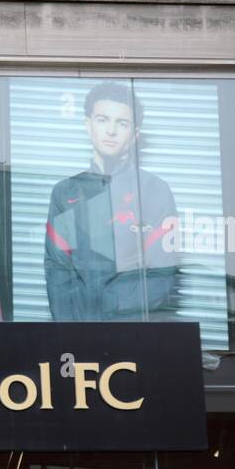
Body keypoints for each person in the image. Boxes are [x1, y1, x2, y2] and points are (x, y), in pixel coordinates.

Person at [44, 81, 180, 321]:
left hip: (136, 334)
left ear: (135, 133)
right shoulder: (65, 193)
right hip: (79, 340)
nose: (111, 131)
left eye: (122, 123)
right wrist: (71, 335)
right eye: (102, 120)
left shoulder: (155, 190)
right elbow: (58, 274)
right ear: (88, 125)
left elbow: (162, 273)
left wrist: (117, 325)